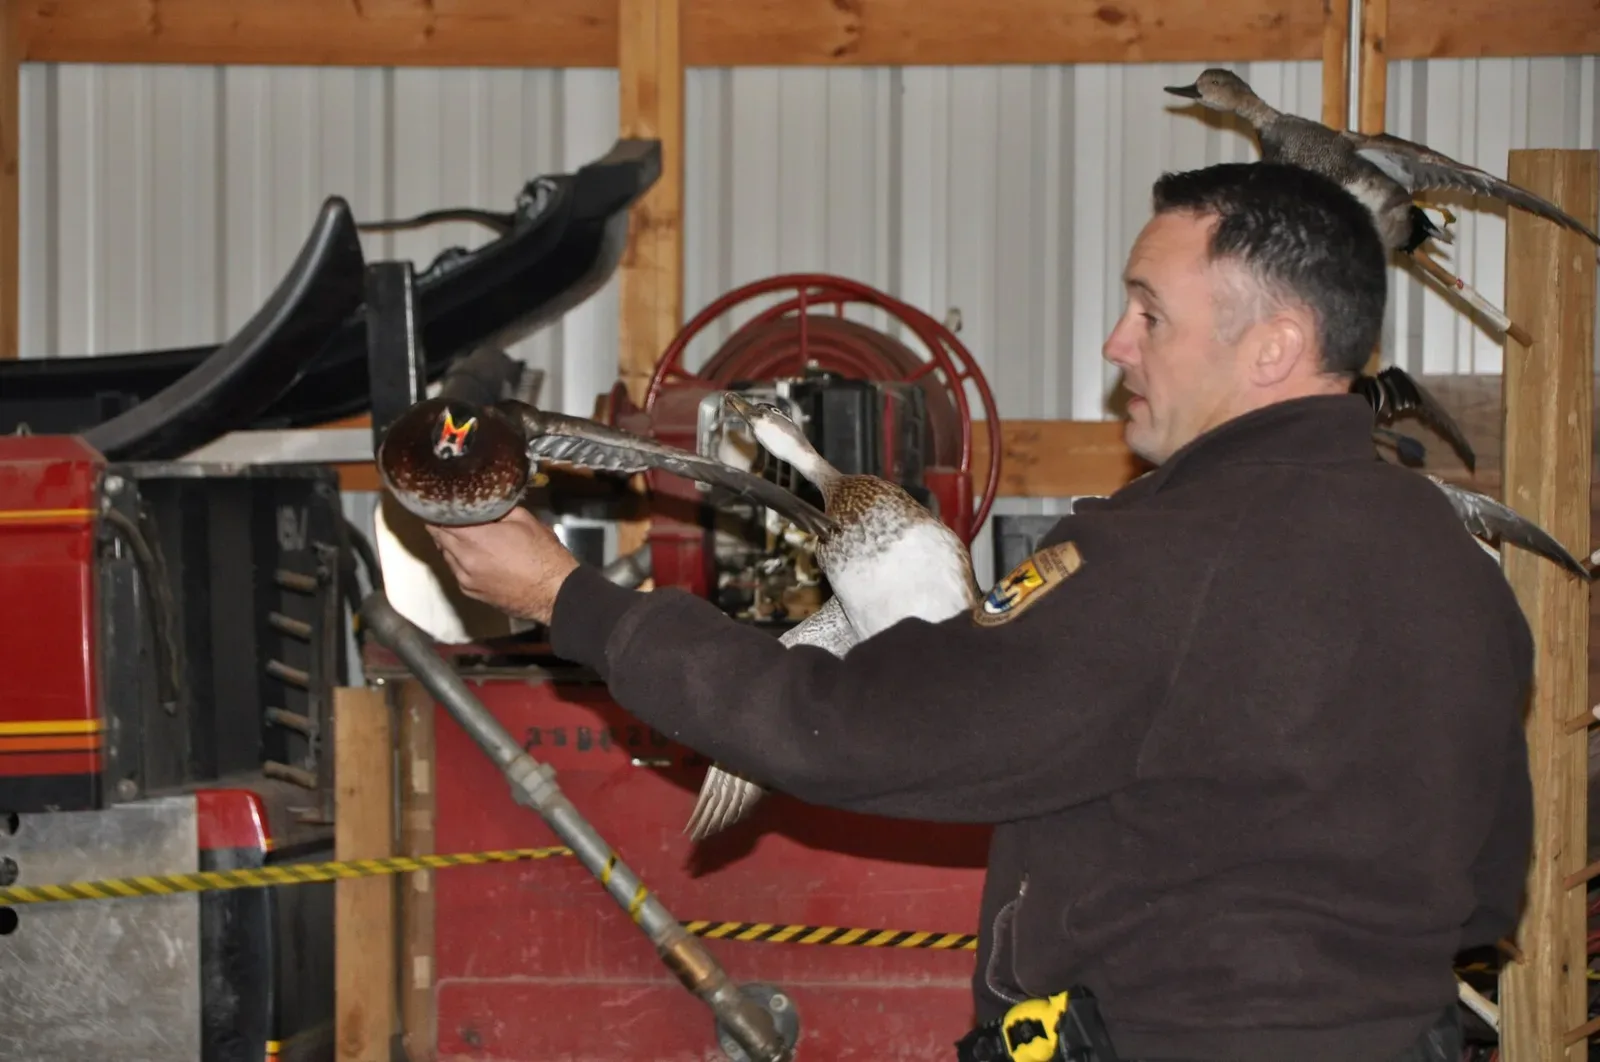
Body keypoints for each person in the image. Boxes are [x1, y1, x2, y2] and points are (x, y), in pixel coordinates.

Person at [424, 161, 1533, 1062]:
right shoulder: (1455, 564)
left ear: (1276, 346)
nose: (1115, 346)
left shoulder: (1159, 559)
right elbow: (1488, 884)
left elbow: (855, 730)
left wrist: (566, 601)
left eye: (1149, 313)